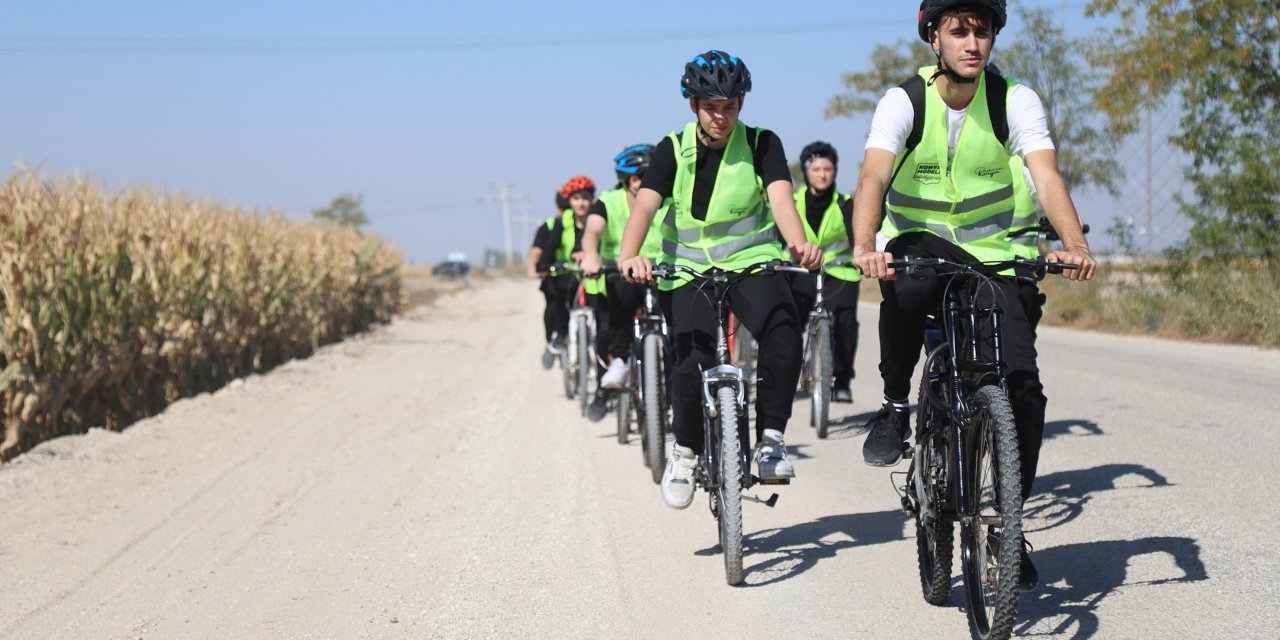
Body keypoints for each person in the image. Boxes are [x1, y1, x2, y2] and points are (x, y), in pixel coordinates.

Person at [851, 0, 1095, 590]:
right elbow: (874, 177)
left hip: (994, 257)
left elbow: (1045, 175)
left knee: (1023, 391)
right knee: (906, 293)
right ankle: (894, 406)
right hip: (917, 245)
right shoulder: (904, 101)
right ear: (933, 37)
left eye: (981, 31)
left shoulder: (1015, 101)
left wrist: (1072, 243)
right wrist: (866, 246)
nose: (972, 42)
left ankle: (1005, 526)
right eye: (958, 30)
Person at [617, 50, 822, 510]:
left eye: (730, 106)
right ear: (693, 104)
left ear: (741, 104)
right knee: (691, 364)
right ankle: (686, 451)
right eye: (711, 106)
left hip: (750, 261)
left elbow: (782, 202)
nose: (721, 116)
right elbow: (646, 206)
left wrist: (798, 245)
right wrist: (629, 254)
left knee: (784, 330)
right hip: (687, 268)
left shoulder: (762, 143)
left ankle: (771, 438)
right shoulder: (672, 149)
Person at [579, 145, 669, 422]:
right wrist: (591, 256)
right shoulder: (608, 201)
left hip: (663, 268)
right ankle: (618, 362)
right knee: (618, 303)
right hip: (621, 271)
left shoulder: (667, 200)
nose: (647, 183)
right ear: (629, 180)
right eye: (640, 177)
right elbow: (592, 231)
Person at [788, 141, 862, 403]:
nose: (822, 174)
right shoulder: (792, 202)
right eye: (816, 168)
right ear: (806, 171)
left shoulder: (845, 204)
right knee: (788, 320)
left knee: (844, 322)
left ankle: (842, 380)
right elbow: (778, 233)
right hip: (800, 270)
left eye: (828, 169)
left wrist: (861, 256)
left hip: (839, 272)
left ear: (835, 171)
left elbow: (857, 237)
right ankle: (789, 371)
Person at [534, 177, 597, 375]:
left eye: (586, 198)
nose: (581, 203)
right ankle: (558, 335)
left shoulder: (598, 219)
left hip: (593, 275)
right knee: (556, 301)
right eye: (576, 198)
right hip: (566, 274)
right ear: (569, 202)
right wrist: (546, 265)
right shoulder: (562, 223)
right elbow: (549, 250)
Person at [528, 191, 574, 369]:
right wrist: (534, 268)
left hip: (578, 274)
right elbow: (538, 250)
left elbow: (536, 250)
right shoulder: (549, 225)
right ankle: (552, 341)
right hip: (555, 274)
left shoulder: (584, 223)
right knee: (554, 305)